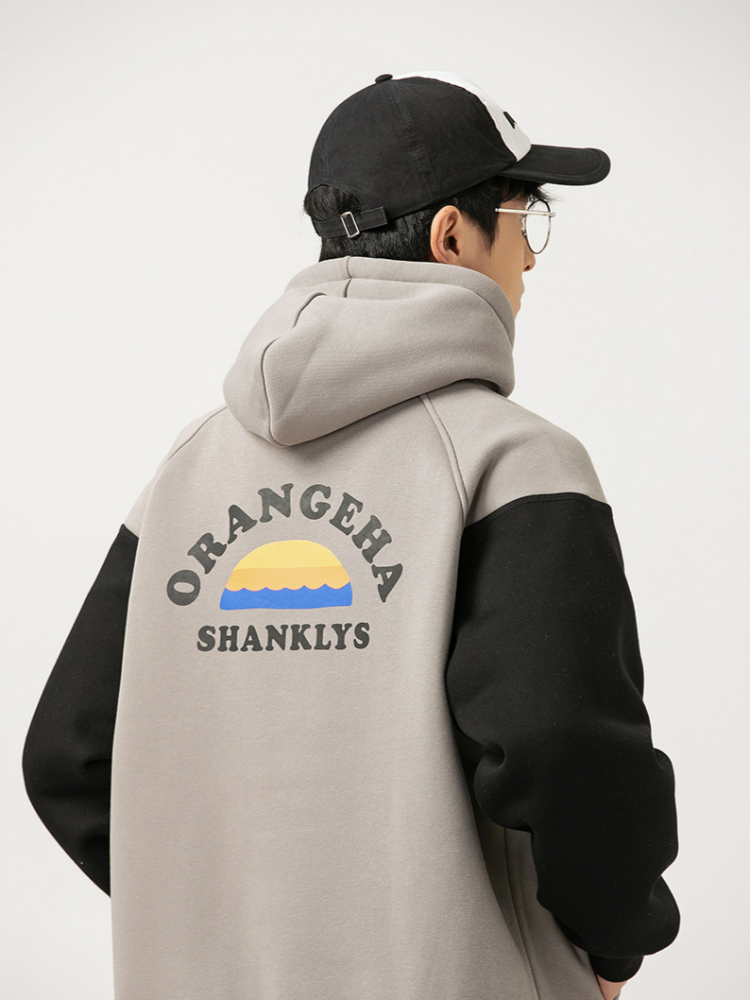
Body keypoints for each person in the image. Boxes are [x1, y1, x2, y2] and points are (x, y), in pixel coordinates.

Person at [22, 70, 679, 1000]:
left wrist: (221, 928)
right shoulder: (514, 460)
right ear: (452, 236)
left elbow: (69, 756)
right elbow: (564, 744)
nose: (529, 262)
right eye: (523, 220)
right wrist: (614, 945)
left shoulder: (185, 471)